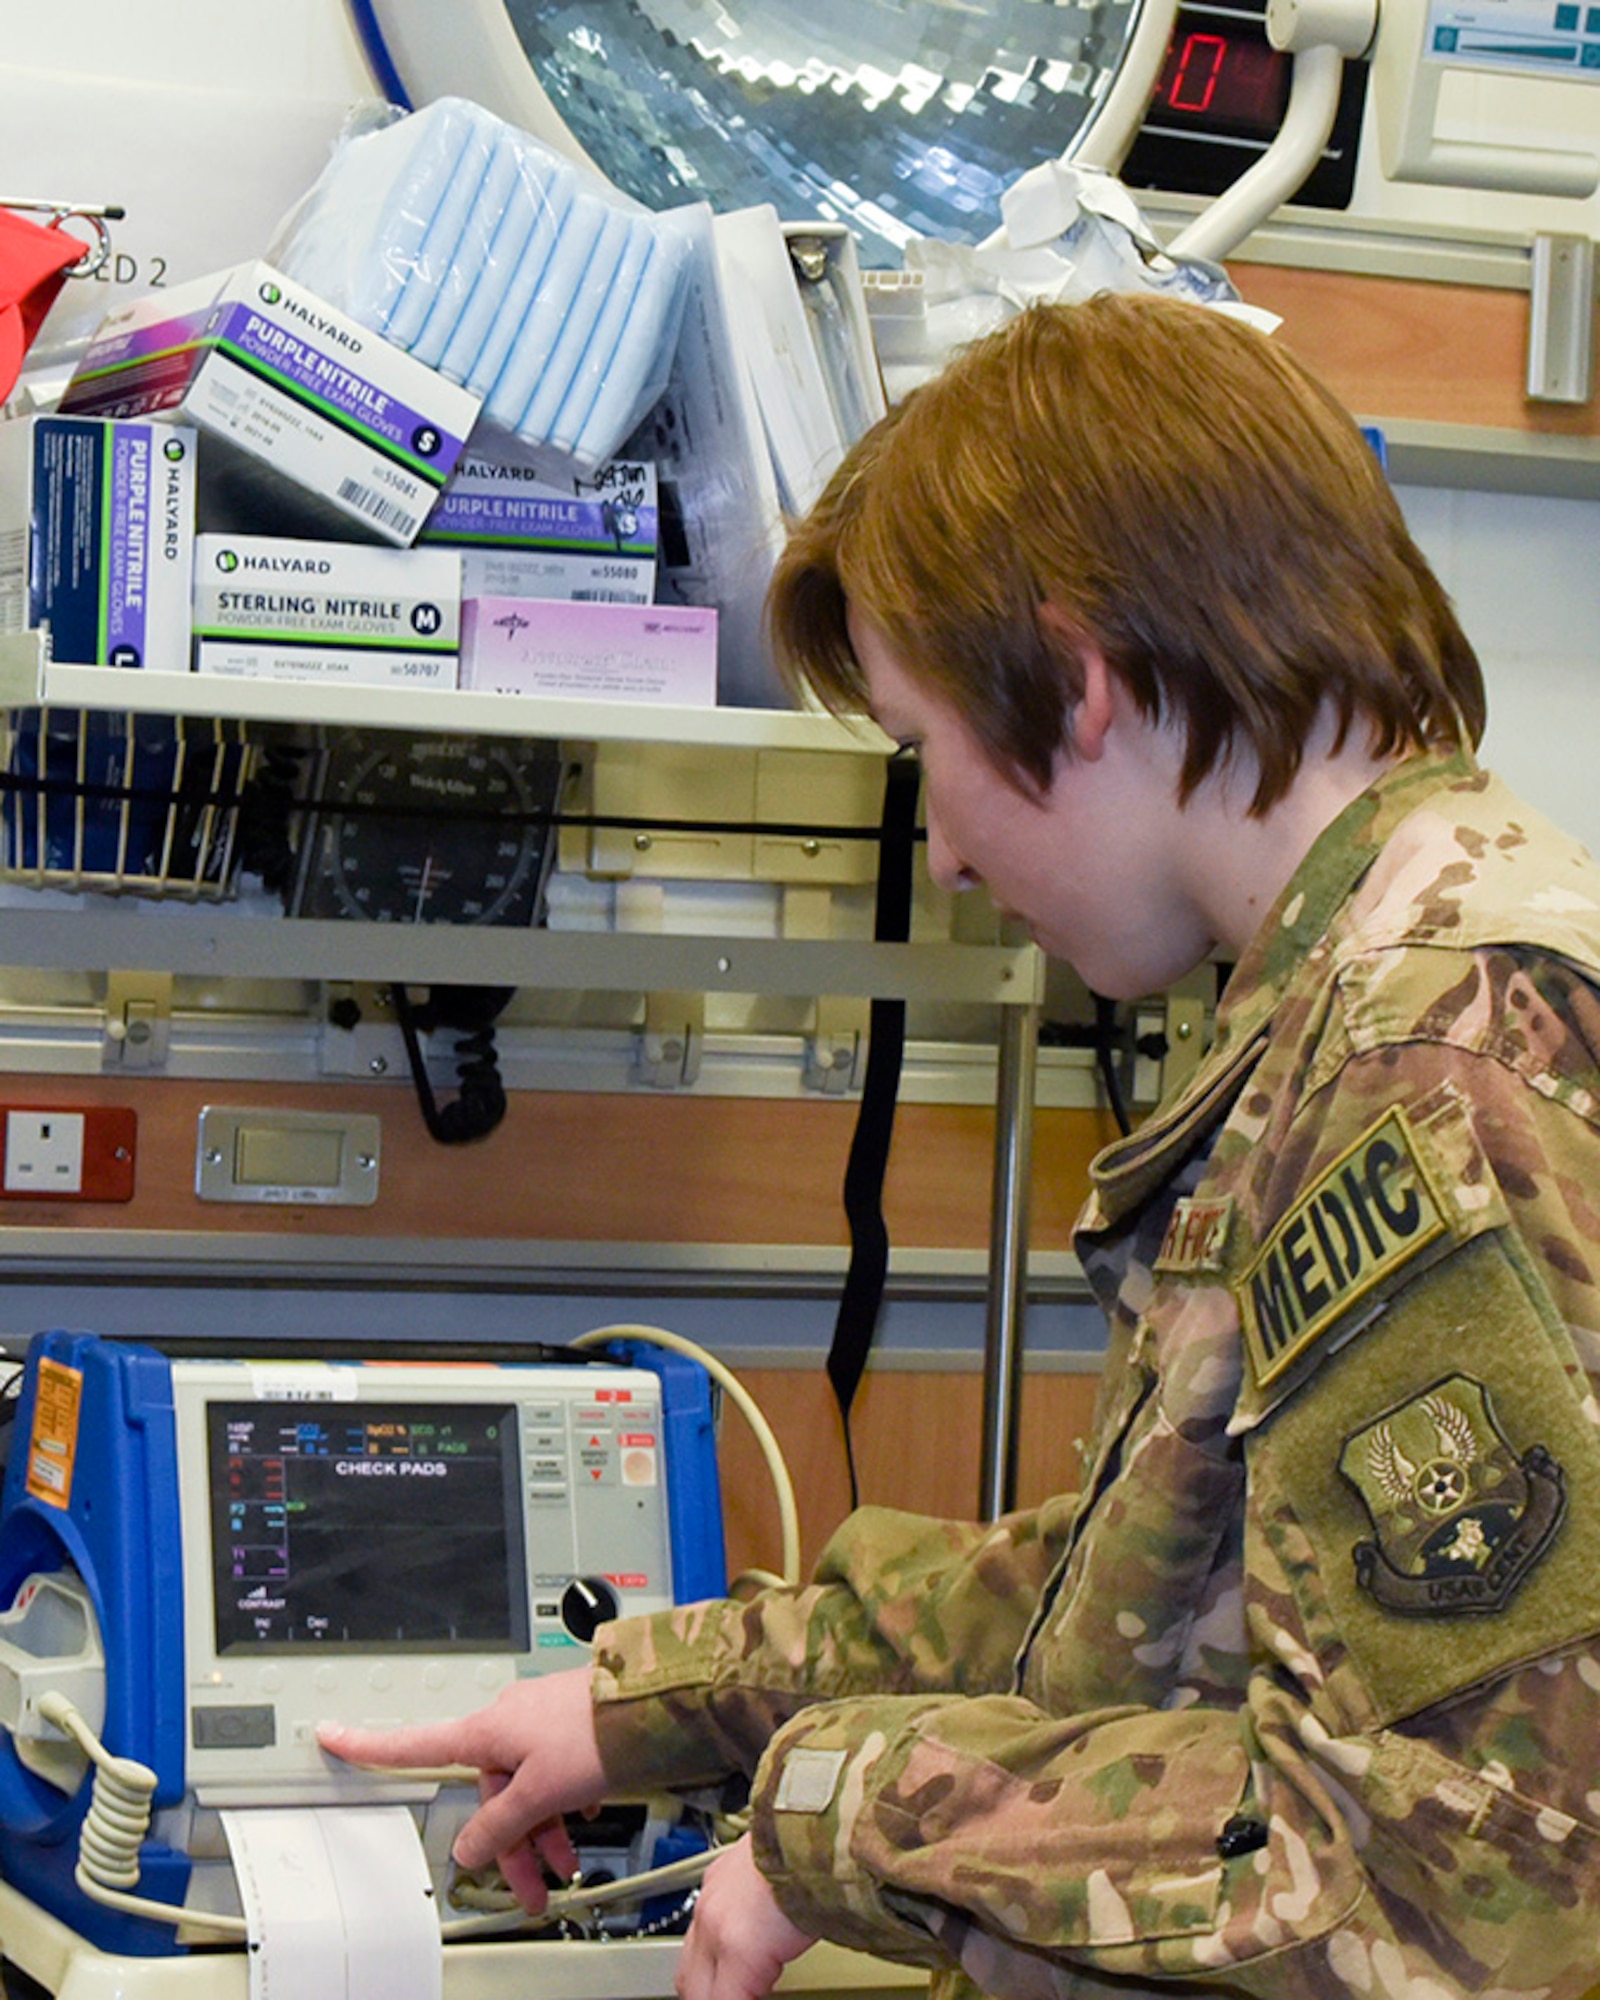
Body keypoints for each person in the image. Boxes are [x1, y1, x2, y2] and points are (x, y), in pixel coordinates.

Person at [321, 292, 1600, 1998]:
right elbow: (1141, 1596)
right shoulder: (1346, 1003)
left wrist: (848, 1827)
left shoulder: (1438, 1049)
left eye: (926, 755)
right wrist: (650, 1702)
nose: (944, 859)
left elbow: (1443, 1875)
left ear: (1076, 683)